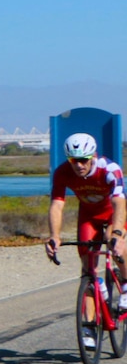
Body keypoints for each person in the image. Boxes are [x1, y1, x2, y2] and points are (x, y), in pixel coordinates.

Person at [46, 132, 127, 346]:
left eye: (83, 160)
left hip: (113, 215)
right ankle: (89, 326)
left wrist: (118, 233)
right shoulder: (62, 172)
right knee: (87, 268)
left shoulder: (109, 169)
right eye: (74, 160)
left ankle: (126, 283)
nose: (79, 165)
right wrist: (55, 236)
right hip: (88, 216)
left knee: (114, 241)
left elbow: (119, 202)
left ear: (93, 156)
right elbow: (57, 204)